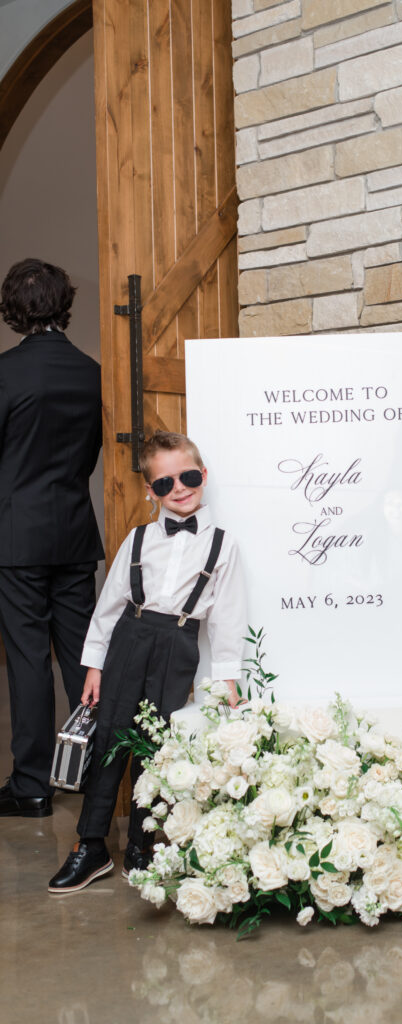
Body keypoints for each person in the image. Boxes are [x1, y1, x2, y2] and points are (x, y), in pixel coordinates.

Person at [48, 430, 247, 893]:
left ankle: (142, 841)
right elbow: (109, 605)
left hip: (178, 645)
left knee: (153, 747)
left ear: (203, 475)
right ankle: (91, 845)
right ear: (149, 490)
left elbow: (227, 617)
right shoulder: (138, 539)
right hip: (129, 640)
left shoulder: (223, 545)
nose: (178, 489)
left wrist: (227, 679)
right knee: (109, 742)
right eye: (164, 484)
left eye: (189, 477)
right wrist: (94, 665)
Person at [0, 258, 103, 819]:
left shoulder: (6, 372)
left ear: (13, 309)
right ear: (64, 303)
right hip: (74, 530)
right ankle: (93, 774)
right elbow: (88, 456)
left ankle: (32, 783)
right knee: (82, 657)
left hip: (16, 536)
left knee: (27, 660)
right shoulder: (91, 371)